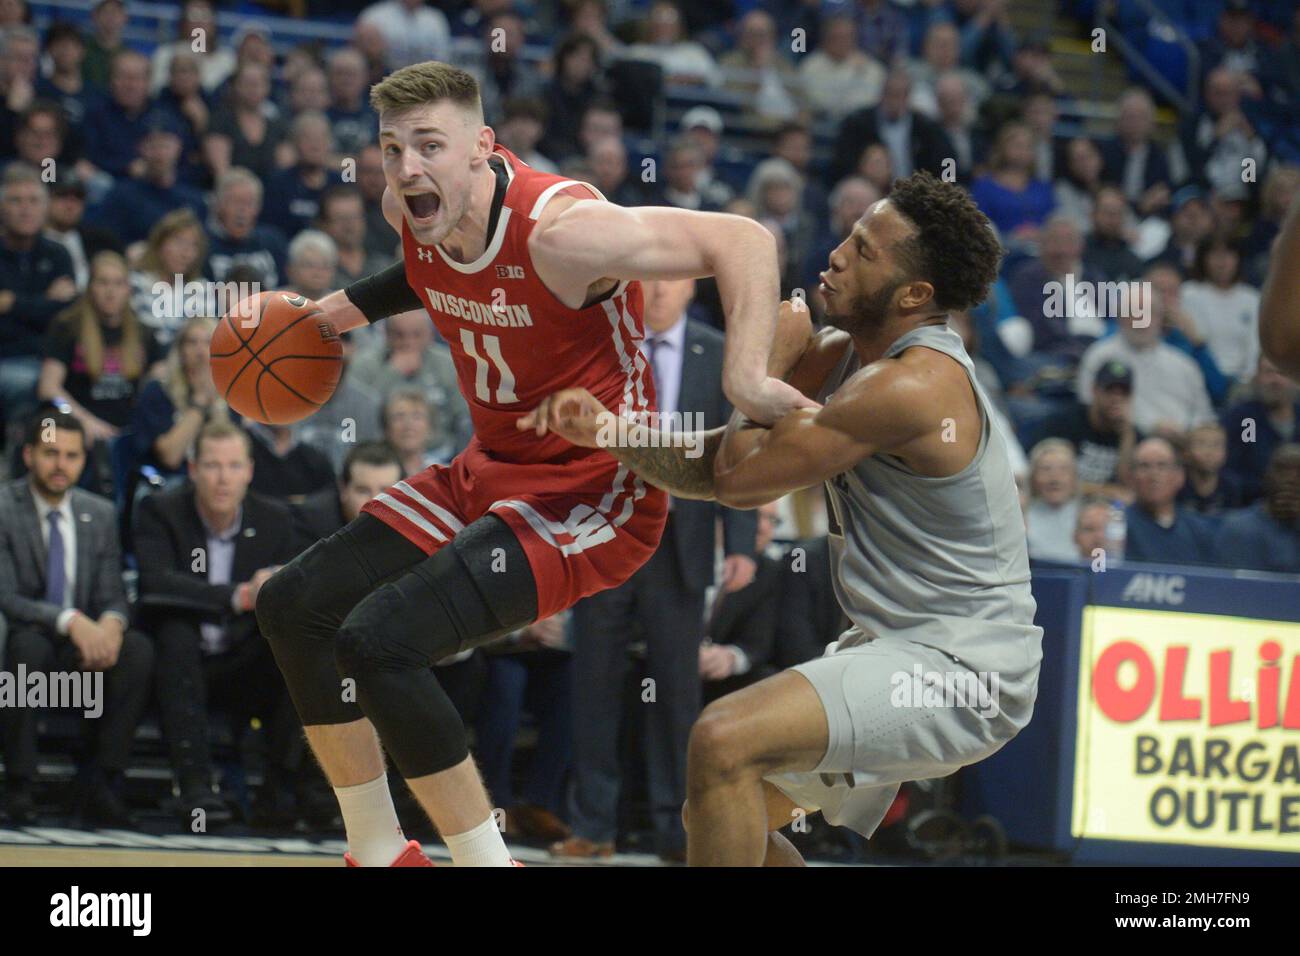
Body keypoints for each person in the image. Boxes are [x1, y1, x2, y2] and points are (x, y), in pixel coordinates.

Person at [254, 61, 801, 868]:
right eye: (392, 148)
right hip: (489, 465)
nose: (407, 168)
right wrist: (341, 310)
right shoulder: (408, 207)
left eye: (429, 146)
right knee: (293, 604)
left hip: (599, 489)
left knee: (380, 642)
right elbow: (427, 266)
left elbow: (742, 238)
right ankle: (376, 851)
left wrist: (746, 377)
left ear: (482, 147)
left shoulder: (563, 230)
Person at [525, 171, 1041, 866]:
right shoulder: (843, 360)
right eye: (848, 236)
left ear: (915, 294)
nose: (836, 255)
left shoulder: (913, 386)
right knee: (720, 799)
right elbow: (718, 467)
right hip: (894, 648)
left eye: (865, 251)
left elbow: (740, 483)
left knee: (724, 739)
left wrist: (763, 356)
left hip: (958, 666)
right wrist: (612, 432)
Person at [133, 422, 300, 826]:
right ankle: (194, 787)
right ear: (192, 470)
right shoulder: (161, 510)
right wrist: (240, 595)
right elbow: (156, 584)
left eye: (233, 466)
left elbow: (291, 595)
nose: (223, 478)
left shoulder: (275, 519)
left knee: (299, 649)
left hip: (242, 661)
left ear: (249, 471)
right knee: (176, 631)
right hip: (176, 665)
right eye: (212, 466)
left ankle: (281, 791)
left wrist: (274, 587)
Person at [0, 411, 154, 826]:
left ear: (83, 461)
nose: (60, 464)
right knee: (25, 648)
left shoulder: (100, 513)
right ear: (29, 455)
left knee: (137, 650)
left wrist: (111, 625)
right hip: (31, 637)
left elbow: (114, 595)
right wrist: (71, 621)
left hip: (83, 646)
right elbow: (7, 597)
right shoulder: (3, 507)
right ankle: (19, 784)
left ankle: (101, 783)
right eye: (51, 454)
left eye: (71, 455)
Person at [1124, 436, 1217, 565]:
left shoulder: (1200, 532)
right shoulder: (1117, 526)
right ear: (1130, 477)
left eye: (1162, 466)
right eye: (1144, 466)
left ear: (1180, 476)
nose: (1153, 475)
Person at [1215, 444, 1300, 573]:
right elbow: (1238, 589)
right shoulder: (1240, 529)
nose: (1291, 480)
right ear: (1267, 476)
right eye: (1283, 470)